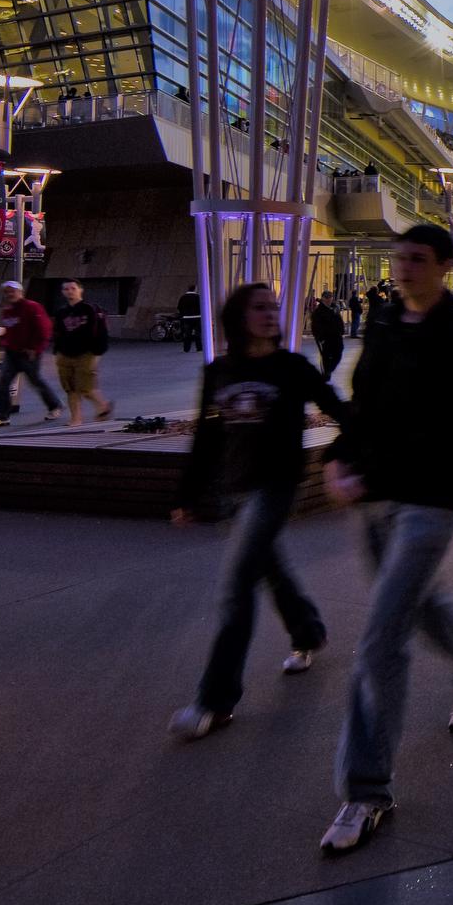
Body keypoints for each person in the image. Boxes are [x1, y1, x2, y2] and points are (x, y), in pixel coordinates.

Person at [321, 222, 453, 857]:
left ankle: (366, 790)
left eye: (418, 259)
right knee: (418, 606)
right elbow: (363, 400)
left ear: (446, 267)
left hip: (428, 504)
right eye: (400, 258)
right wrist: (343, 455)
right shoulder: (380, 325)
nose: (404, 268)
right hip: (377, 497)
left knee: (380, 640)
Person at [168, 281, 345, 742]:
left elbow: (337, 410)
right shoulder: (219, 371)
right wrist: (187, 494)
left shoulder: (292, 367)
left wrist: (346, 453)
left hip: (276, 486)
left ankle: (215, 699)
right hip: (235, 488)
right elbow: (207, 437)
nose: (270, 314)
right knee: (271, 566)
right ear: (239, 317)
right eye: (260, 307)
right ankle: (308, 630)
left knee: (235, 589)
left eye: (275, 307)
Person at [0, 282, 62, 427]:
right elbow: (10, 330)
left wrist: (35, 349)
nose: (9, 294)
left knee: (36, 381)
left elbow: (45, 329)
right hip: (12, 353)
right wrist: (6, 343)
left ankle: (54, 405)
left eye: (12, 291)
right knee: (3, 384)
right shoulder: (7, 310)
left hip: (29, 353)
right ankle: (2, 416)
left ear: (21, 292)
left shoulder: (32, 307)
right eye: (6, 292)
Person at [54, 280, 115, 425]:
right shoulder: (61, 312)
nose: (70, 291)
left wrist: (97, 353)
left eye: (73, 288)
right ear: (63, 292)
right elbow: (58, 333)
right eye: (66, 289)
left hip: (86, 353)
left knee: (86, 388)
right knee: (70, 388)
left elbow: (101, 332)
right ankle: (76, 419)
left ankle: (103, 406)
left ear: (80, 290)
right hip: (65, 354)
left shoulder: (91, 309)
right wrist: (56, 352)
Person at [311, 292, 346, 382]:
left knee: (338, 353)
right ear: (322, 298)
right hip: (326, 338)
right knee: (326, 356)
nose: (329, 299)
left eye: (330, 297)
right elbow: (315, 326)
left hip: (337, 336)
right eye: (326, 297)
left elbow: (339, 320)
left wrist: (341, 330)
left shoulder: (334, 308)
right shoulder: (318, 312)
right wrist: (320, 338)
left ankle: (328, 370)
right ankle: (326, 373)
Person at [178, 287, 203, 353]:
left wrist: (183, 315)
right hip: (197, 318)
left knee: (187, 334)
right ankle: (199, 348)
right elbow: (203, 306)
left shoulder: (183, 297)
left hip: (186, 318)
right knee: (198, 334)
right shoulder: (198, 297)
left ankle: (186, 349)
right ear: (195, 289)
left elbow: (179, 307)